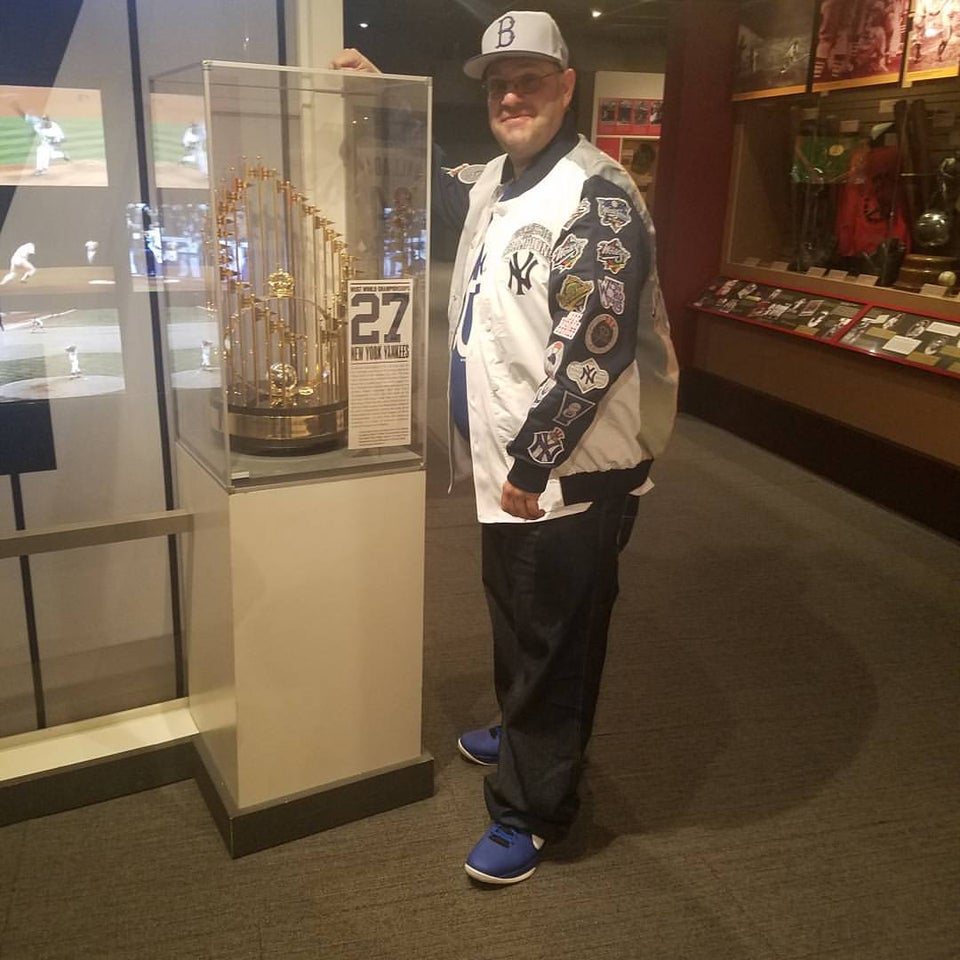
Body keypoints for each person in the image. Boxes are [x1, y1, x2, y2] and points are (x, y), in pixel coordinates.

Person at [333, 9, 677, 885]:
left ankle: (533, 810)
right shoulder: (498, 178)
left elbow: (596, 347)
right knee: (517, 611)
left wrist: (533, 461)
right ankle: (523, 728)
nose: (512, 96)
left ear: (567, 86)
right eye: (498, 84)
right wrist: (384, 104)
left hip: (569, 471)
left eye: (530, 80)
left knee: (560, 637)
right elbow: (437, 184)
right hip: (507, 465)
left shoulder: (598, 196)